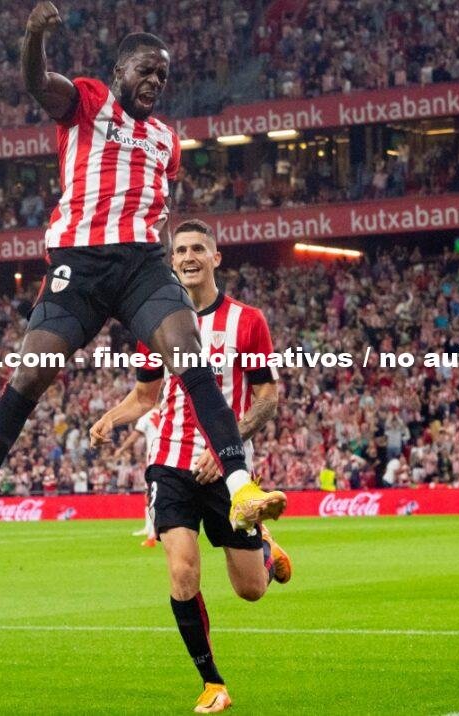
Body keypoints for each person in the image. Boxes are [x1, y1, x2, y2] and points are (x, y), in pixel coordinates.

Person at [0, 1, 285, 558]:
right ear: (120, 71)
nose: (156, 81)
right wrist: (33, 36)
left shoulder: (166, 140)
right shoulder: (88, 101)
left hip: (142, 265)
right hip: (81, 266)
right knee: (27, 379)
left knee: (191, 356)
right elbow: (36, 82)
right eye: (147, 69)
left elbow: (158, 198)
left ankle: (241, 488)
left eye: (163, 74)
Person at [90, 220, 292, 713]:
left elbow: (267, 396)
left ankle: (262, 547)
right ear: (170, 259)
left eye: (198, 248)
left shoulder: (247, 320)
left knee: (250, 591)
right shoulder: (154, 322)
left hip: (225, 468)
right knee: (182, 572)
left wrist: (228, 444)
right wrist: (113, 417)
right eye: (179, 249)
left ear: (215, 258)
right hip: (170, 465)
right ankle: (212, 683)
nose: (187, 256)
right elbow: (146, 396)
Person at [116, 407, 161, 547]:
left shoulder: (147, 415)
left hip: (154, 459)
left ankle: (152, 535)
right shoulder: (167, 411)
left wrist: (121, 449)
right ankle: (150, 529)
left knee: (150, 496)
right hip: (171, 458)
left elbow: (134, 437)